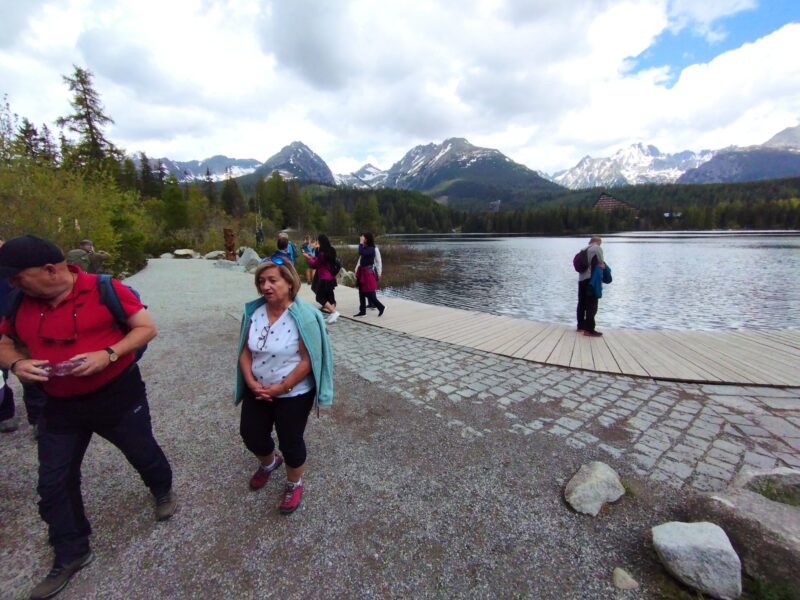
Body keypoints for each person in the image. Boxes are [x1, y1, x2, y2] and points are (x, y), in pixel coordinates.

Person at [0, 235, 175, 600]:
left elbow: (146, 328)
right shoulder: (19, 301)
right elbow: (3, 341)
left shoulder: (104, 289)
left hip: (117, 396)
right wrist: (16, 363)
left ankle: (161, 488)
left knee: (141, 450)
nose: (12, 282)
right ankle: (71, 550)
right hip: (58, 404)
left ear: (50, 270)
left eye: (18, 276)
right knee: (53, 481)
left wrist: (108, 354)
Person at [235, 259, 332, 515]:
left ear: (289, 283)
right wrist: (251, 382)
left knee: (291, 441)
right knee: (251, 433)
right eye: (261, 281)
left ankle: (294, 482)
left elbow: (310, 358)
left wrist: (282, 387)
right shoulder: (253, 313)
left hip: (294, 392)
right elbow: (244, 351)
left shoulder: (304, 317)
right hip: (258, 389)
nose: (265, 286)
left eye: (272, 280)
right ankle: (269, 463)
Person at [303, 235, 339, 324]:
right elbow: (321, 261)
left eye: (318, 242)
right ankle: (333, 314)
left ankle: (334, 312)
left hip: (324, 278)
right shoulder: (330, 251)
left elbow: (314, 265)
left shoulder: (322, 253)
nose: (317, 243)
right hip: (330, 277)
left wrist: (308, 258)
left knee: (319, 297)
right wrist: (313, 256)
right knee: (330, 296)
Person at [577, 235, 606, 337]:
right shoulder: (597, 248)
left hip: (581, 280)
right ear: (597, 242)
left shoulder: (583, 249)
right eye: (600, 243)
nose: (600, 245)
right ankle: (589, 330)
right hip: (591, 280)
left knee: (582, 303)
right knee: (592, 305)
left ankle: (580, 326)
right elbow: (601, 263)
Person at [353, 232, 385, 317]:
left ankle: (380, 307)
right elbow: (361, 259)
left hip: (367, 273)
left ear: (367, 239)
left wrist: (379, 272)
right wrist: (356, 269)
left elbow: (361, 252)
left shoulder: (371, 248)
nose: (362, 239)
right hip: (362, 272)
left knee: (369, 293)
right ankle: (362, 311)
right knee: (361, 292)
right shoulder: (366, 247)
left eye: (364, 238)